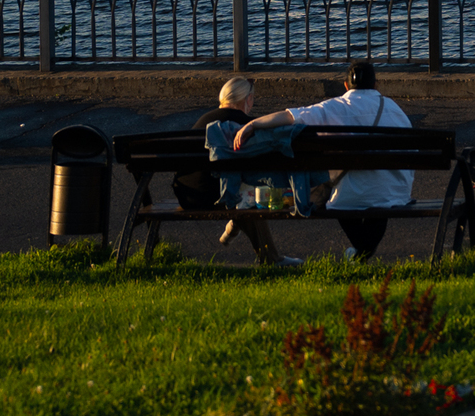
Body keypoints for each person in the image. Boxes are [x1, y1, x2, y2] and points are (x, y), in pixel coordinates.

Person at [234, 59, 414, 259]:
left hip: (347, 198)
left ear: (346, 86)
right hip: (394, 191)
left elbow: (290, 117)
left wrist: (252, 124)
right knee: (378, 191)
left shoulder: (333, 107)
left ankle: (362, 252)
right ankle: (362, 253)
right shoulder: (393, 108)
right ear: (375, 85)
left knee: (339, 193)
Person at [171, 77, 296, 266]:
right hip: (214, 196)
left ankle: (236, 225)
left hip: (187, 195)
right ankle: (272, 259)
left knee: (240, 190)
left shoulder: (204, 120)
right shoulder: (246, 125)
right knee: (257, 196)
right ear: (248, 99)